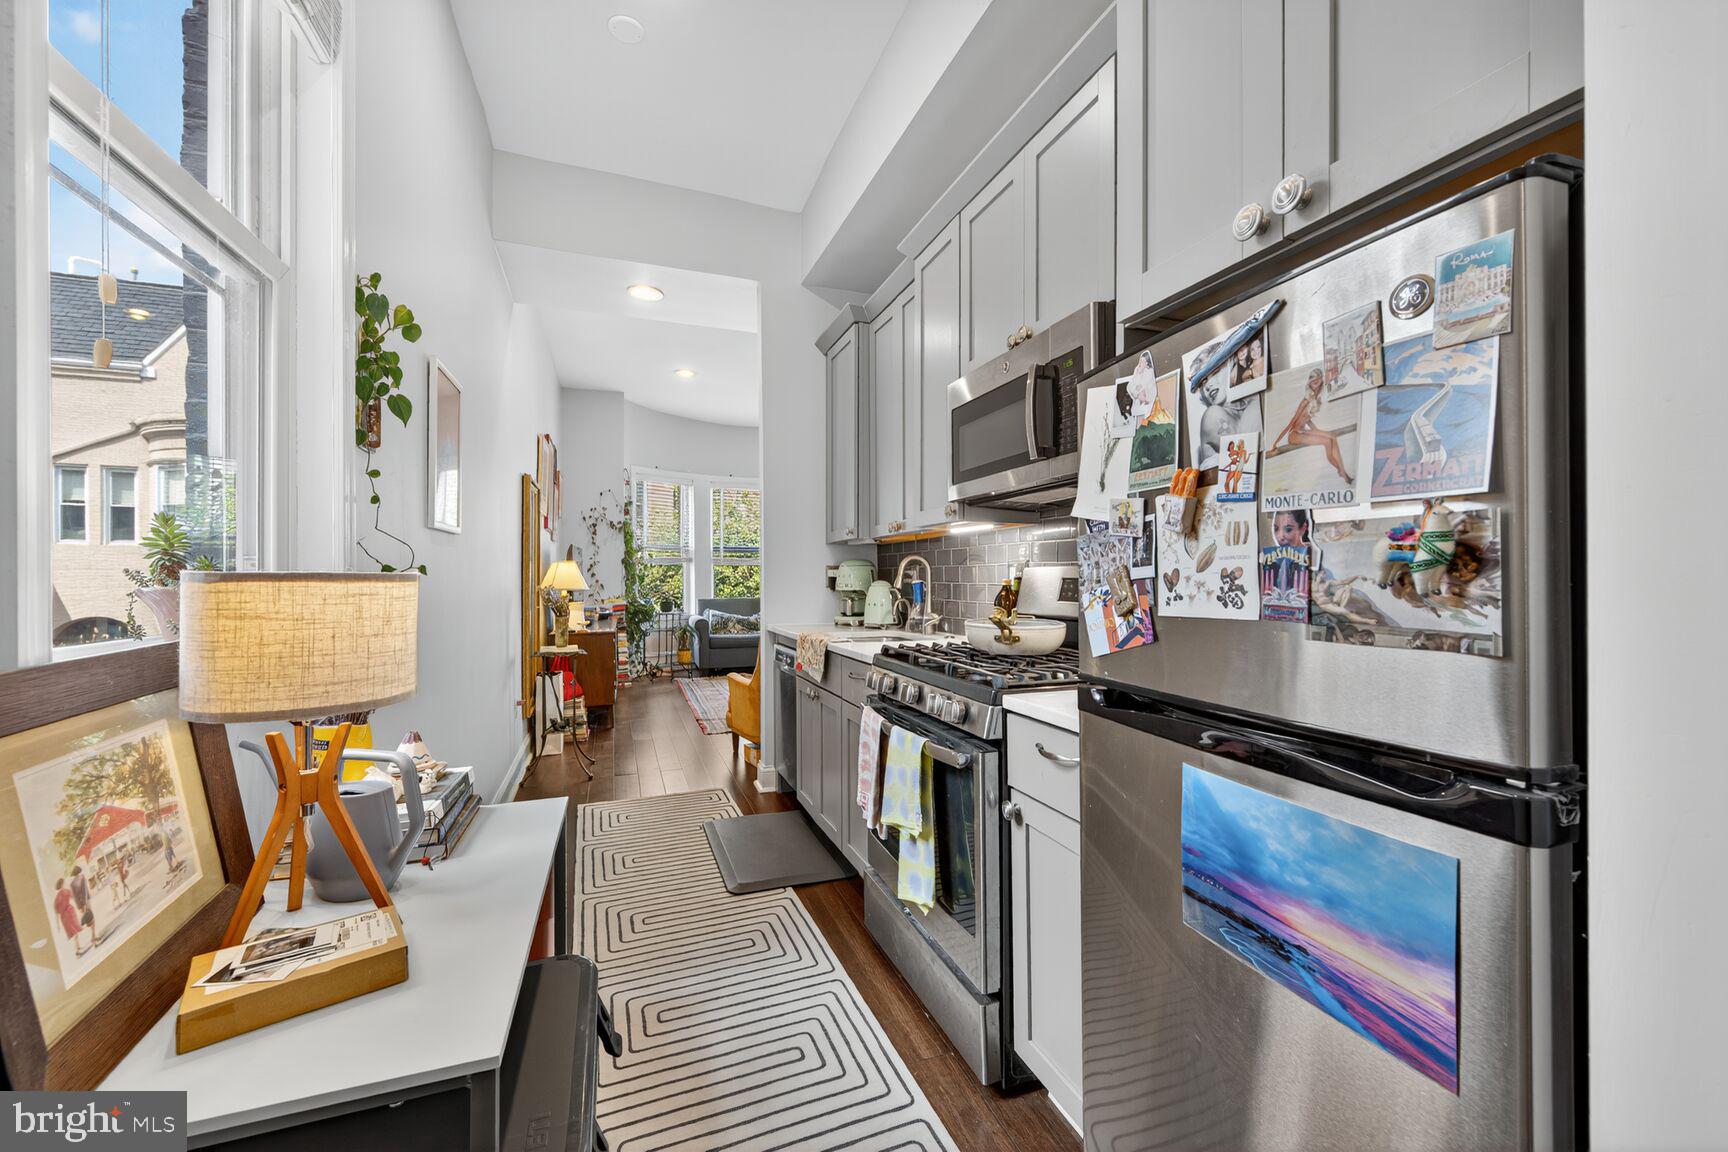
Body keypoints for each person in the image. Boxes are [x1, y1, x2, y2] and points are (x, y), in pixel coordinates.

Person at [1271, 368, 1354, 484]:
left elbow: (1308, 421)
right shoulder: (1305, 401)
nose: (1315, 383)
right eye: (1313, 381)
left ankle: (1342, 471)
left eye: (1318, 380)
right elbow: (1291, 423)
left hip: (1304, 431)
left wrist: (1317, 431)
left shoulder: (1316, 400)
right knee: (1328, 440)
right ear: (1309, 383)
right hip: (1295, 434)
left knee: (1331, 438)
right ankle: (1343, 473)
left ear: (1321, 381)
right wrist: (1275, 443)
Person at [68, 865, 94, 953]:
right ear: (79, 871)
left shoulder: (72, 884)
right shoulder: (82, 878)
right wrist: (86, 903)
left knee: (87, 919)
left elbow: (75, 897)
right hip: (86, 901)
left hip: (80, 904)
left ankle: (92, 936)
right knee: (91, 917)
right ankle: (93, 936)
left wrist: (79, 907)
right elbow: (85, 891)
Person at [53, 878, 82, 955]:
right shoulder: (66, 891)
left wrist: (58, 924)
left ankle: (78, 947)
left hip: (65, 916)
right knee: (75, 931)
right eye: (64, 883)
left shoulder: (57, 898)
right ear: (62, 884)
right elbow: (74, 898)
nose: (65, 884)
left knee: (74, 931)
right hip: (69, 913)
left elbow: (56, 912)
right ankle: (77, 949)